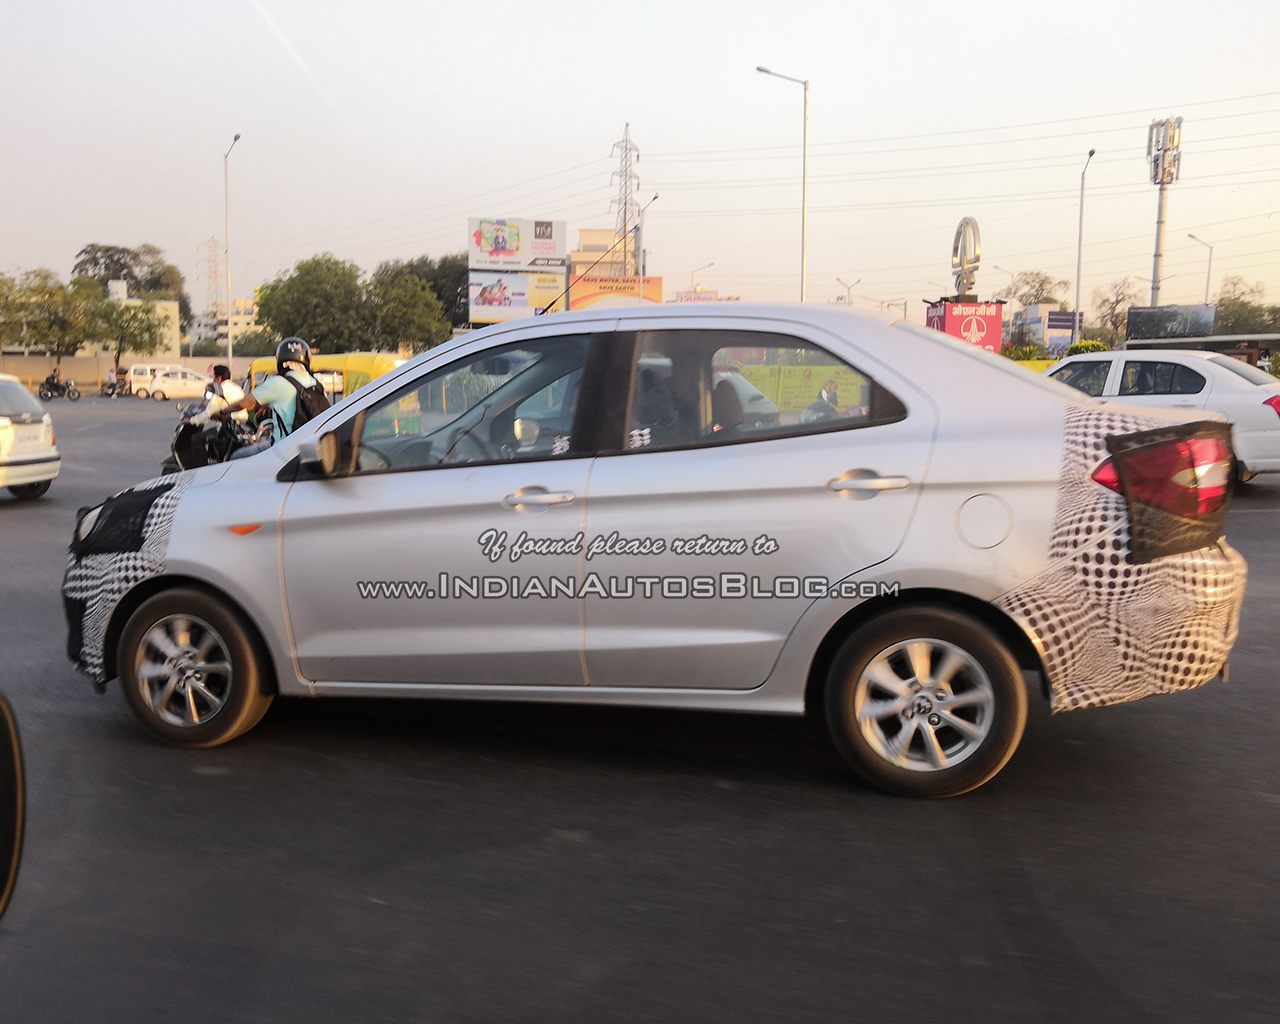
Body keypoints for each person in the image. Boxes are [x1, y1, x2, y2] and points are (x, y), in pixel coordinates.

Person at [215, 338, 325, 460]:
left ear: (280, 359)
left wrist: (222, 412)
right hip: (309, 446)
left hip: (283, 447)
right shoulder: (316, 384)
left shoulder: (278, 383)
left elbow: (243, 403)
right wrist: (267, 404)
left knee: (235, 457)